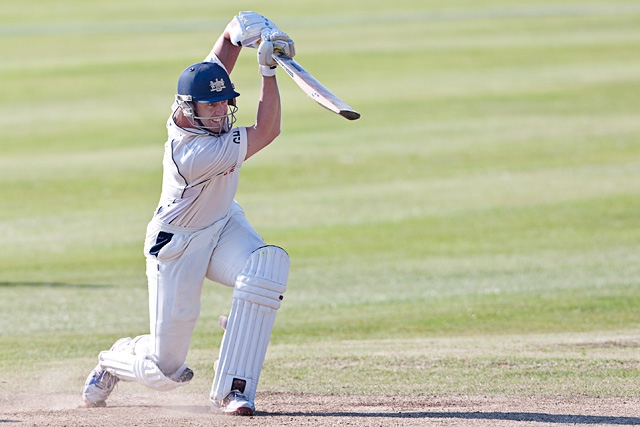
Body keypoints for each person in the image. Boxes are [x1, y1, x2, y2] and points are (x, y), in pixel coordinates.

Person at [81, 12, 295, 416]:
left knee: (264, 271)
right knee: (166, 367)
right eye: (209, 106)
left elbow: (223, 53)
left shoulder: (199, 102)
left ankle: (234, 389)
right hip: (178, 246)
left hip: (222, 225)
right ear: (186, 108)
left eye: (223, 104)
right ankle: (114, 360)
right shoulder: (193, 153)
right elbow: (267, 131)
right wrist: (268, 71)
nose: (218, 113)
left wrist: (244, 29)